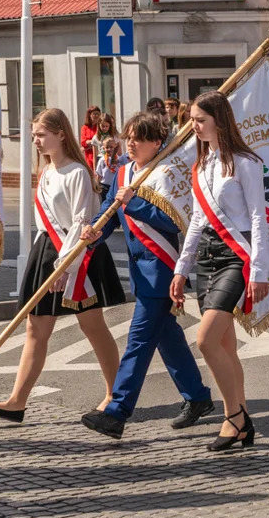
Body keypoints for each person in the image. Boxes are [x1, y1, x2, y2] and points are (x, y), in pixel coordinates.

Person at [0, 109, 124, 425]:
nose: (36, 140)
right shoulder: (45, 172)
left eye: (41, 134)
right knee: (35, 327)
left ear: (61, 134)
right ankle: (17, 401)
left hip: (75, 256)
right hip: (46, 251)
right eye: (33, 135)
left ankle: (116, 395)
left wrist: (65, 267)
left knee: (92, 326)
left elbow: (79, 222)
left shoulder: (78, 173)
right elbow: (46, 221)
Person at [80, 111, 215, 439]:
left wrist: (136, 204)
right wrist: (96, 229)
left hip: (161, 269)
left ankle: (117, 412)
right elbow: (111, 209)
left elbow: (174, 221)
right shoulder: (124, 171)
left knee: (138, 342)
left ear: (157, 142)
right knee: (167, 338)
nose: (131, 143)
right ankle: (197, 397)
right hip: (140, 272)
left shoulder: (165, 173)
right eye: (129, 137)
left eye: (139, 138)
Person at [170, 92, 269, 451]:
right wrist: (182, 268)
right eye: (192, 119)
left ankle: (234, 418)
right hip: (207, 258)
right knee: (226, 347)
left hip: (235, 256)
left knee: (206, 340)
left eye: (199, 119)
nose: (193, 126)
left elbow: (258, 218)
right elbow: (197, 220)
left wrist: (258, 269)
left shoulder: (245, 162)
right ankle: (242, 418)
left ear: (219, 119)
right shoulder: (201, 165)